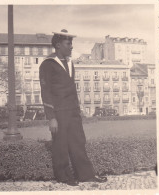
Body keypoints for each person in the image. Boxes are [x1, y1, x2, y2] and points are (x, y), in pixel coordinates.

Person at [39, 29, 107, 186]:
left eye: (71, 44)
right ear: (58, 45)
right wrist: (51, 117)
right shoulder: (47, 64)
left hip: (73, 112)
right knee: (61, 145)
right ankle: (64, 177)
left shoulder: (70, 63)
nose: (71, 47)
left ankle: (86, 175)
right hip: (59, 112)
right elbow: (45, 91)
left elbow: (71, 89)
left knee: (78, 142)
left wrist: (78, 109)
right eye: (68, 44)